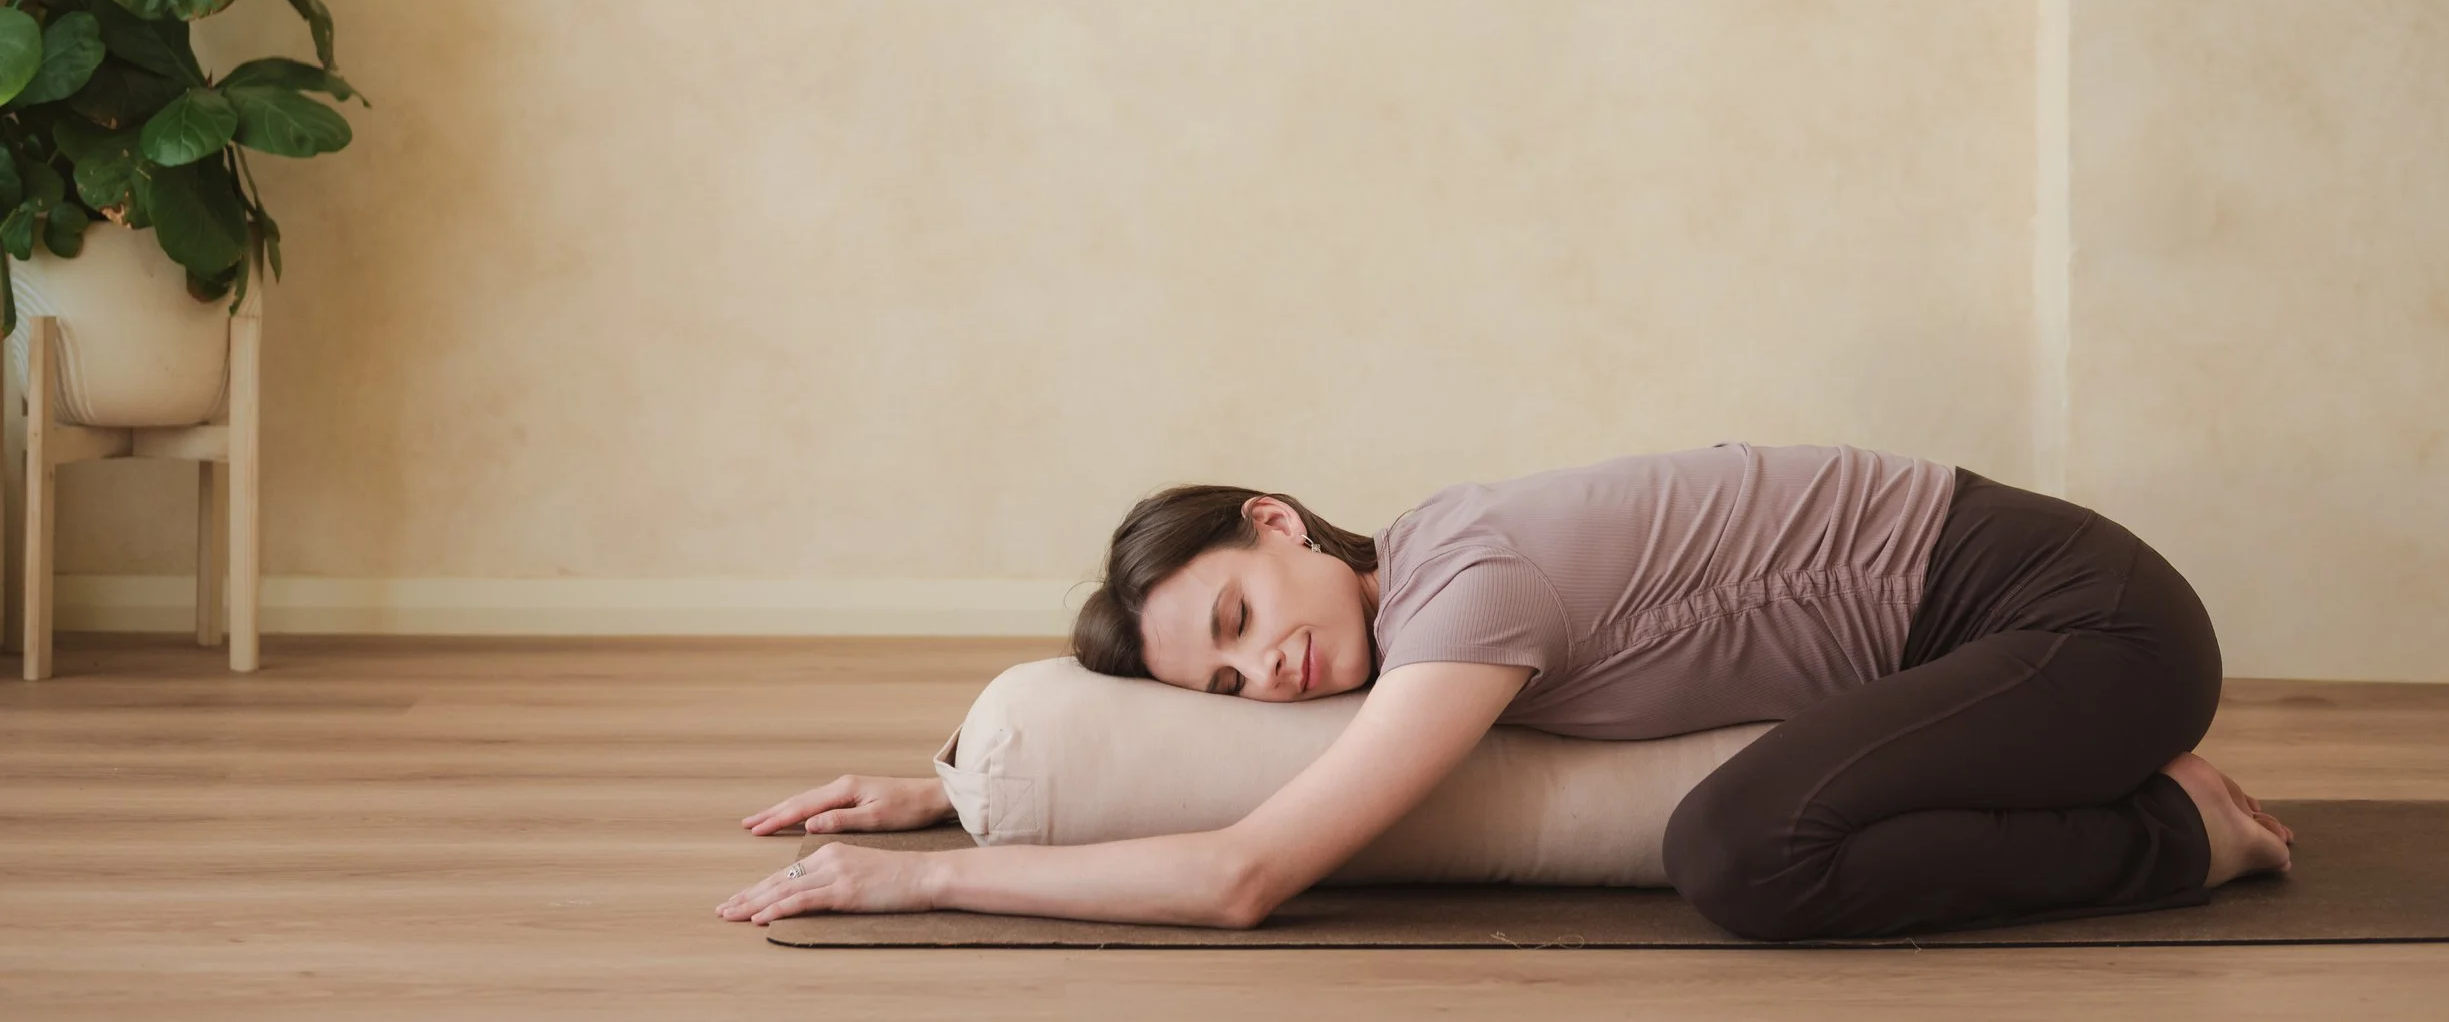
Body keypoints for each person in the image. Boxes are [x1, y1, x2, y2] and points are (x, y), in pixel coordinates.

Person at [720, 441, 2294, 938]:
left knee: (1741, 855)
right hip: (1999, 646)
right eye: (1226, 676)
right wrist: (964, 787)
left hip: (2092, 625)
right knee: (1749, 841)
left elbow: (1244, 875)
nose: (1265, 670)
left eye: (1240, 613)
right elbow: (1202, 777)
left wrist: (922, 882)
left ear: (1278, 521)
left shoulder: (1468, 593)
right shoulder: (1412, 590)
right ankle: (2129, 799)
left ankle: (2167, 835)